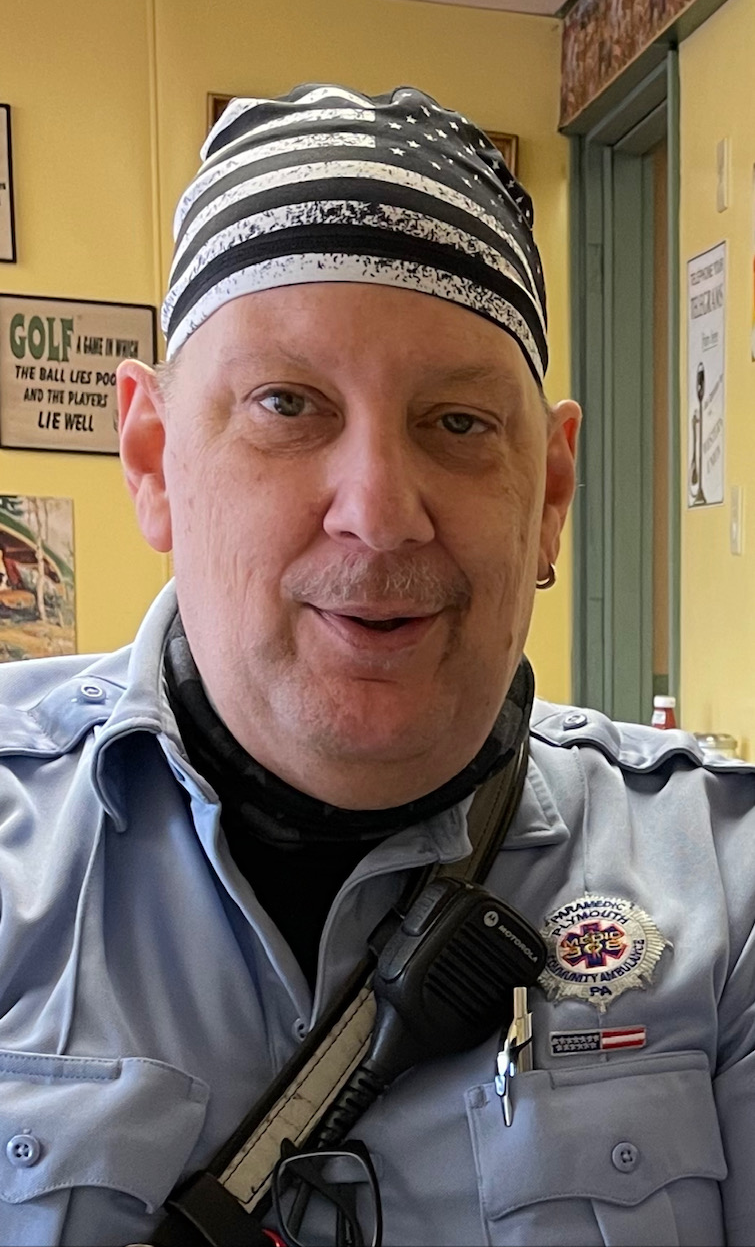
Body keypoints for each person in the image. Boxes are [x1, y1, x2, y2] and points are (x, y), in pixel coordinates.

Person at [0, 83, 752, 1247]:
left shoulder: (723, 891)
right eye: (285, 404)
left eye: (456, 422)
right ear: (151, 458)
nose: (379, 513)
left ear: (549, 492)